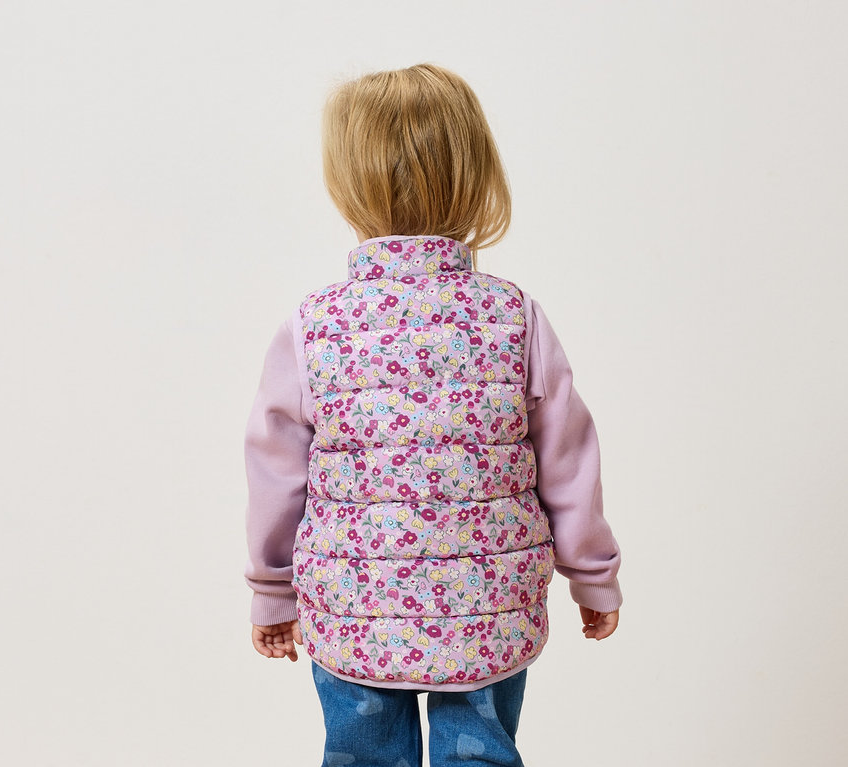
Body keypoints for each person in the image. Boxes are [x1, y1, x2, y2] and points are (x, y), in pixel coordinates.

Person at [242, 63, 622, 767]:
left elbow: (275, 473)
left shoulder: (315, 324)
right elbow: (569, 460)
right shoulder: (514, 315)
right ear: (475, 175)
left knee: (363, 754)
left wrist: (272, 590)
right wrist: (591, 573)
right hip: (489, 609)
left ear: (348, 184)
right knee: (479, 755)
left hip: (357, 604)